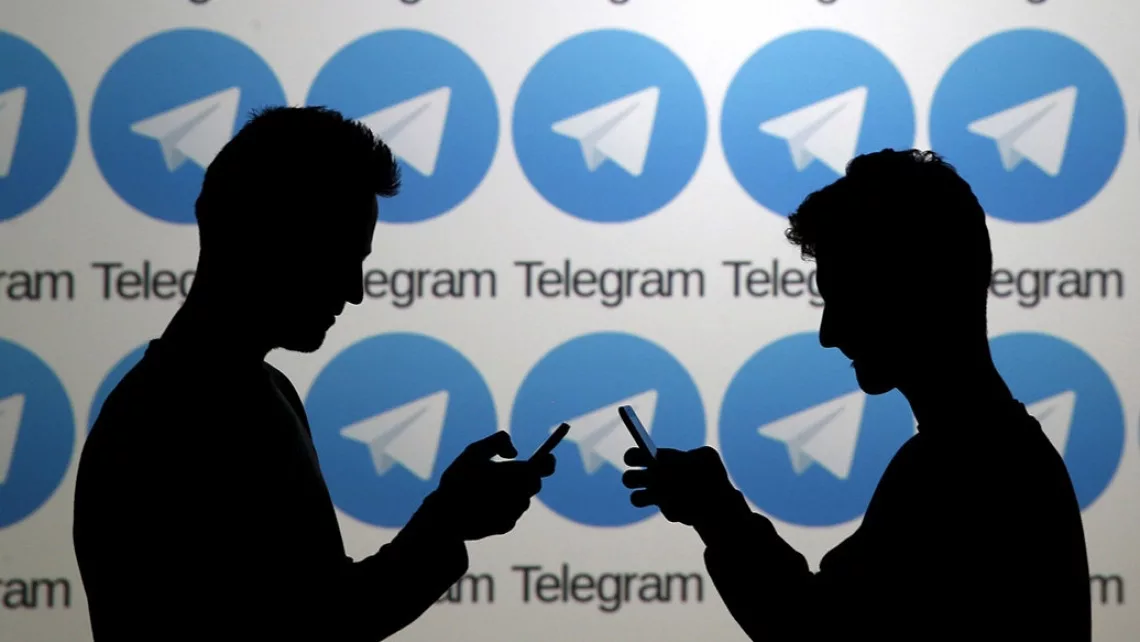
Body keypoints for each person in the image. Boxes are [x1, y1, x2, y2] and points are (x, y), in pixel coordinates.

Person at [73, 106, 555, 641]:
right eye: (340, 255)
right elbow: (321, 623)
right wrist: (447, 522)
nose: (355, 291)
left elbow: (313, 605)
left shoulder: (230, 395)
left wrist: (447, 521)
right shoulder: (182, 417)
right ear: (268, 238)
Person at [623, 150, 1090, 640]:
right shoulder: (993, 454)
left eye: (845, 300)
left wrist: (718, 516)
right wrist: (718, 514)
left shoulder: (965, 470)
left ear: (915, 292)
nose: (829, 334)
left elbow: (813, 632)